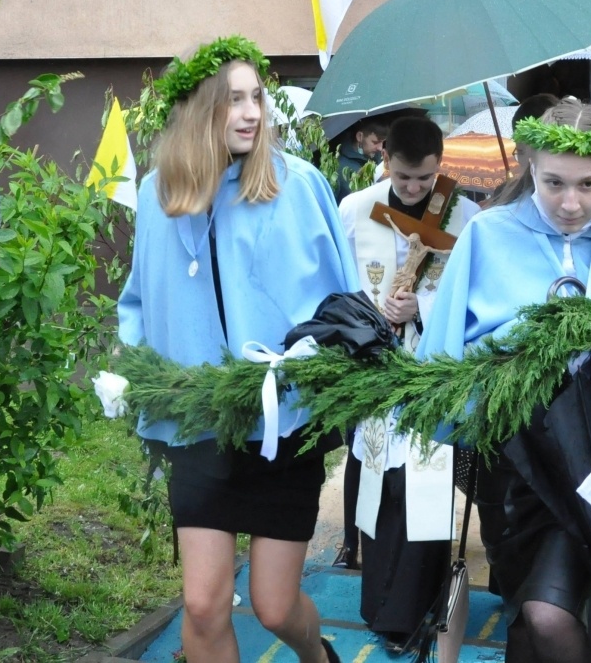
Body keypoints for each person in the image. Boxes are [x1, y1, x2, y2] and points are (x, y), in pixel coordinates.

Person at [118, 37, 355, 663]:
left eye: (256, 98)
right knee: (202, 603)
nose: (252, 113)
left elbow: (341, 299)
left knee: (274, 608)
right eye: (233, 101)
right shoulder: (156, 195)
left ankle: (316, 655)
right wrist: (135, 373)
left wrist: (323, 365)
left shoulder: (297, 184)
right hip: (197, 426)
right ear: (199, 111)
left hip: (284, 423)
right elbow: (139, 299)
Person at [419, 99, 591, 663]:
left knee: (551, 613)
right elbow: (437, 365)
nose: (569, 202)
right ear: (530, 168)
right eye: (553, 182)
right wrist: (512, 357)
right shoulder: (487, 236)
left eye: (587, 185)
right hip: (515, 470)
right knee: (528, 616)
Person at [334, 116, 480, 645]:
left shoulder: (465, 215)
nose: (414, 188)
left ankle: (418, 601)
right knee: (378, 482)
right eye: (403, 178)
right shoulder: (356, 210)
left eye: (423, 178)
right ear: (385, 162)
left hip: (431, 371)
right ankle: (380, 600)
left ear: (439, 165)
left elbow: (473, 297)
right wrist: (377, 315)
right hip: (376, 369)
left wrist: (424, 305)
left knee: (424, 484)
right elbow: (343, 284)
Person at [333, 116, 392, 201]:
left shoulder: (382, 157)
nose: (380, 148)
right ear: (360, 136)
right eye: (375, 142)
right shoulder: (338, 166)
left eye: (383, 142)